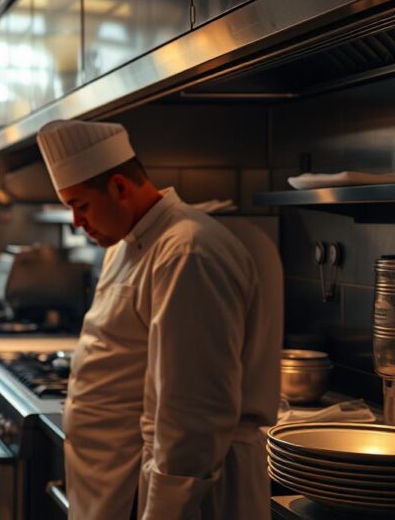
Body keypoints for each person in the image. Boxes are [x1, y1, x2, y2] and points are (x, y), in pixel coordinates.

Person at [35, 121, 281, 520]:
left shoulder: (186, 252)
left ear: (119, 187)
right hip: (118, 483)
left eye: (81, 205)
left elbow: (191, 412)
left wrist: (164, 509)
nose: (76, 222)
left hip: (169, 494)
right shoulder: (124, 245)